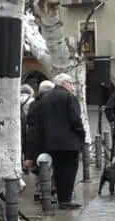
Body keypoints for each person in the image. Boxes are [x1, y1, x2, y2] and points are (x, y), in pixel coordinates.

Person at [34, 74, 84, 209]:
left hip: (52, 143)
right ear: (64, 83)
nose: (72, 87)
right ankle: (65, 200)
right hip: (70, 143)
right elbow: (76, 120)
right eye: (70, 83)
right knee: (69, 171)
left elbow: (40, 122)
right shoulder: (69, 98)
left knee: (58, 170)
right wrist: (82, 134)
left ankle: (61, 198)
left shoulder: (45, 98)